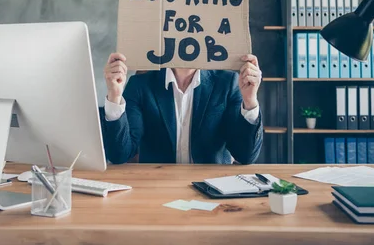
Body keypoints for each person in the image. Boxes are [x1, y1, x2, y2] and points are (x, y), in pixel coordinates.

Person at [101, 53, 263, 164]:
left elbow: (246, 156)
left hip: (212, 188)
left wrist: (250, 101)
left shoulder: (228, 83)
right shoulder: (140, 85)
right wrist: (114, 96)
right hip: (156, 188)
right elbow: (119, 155)